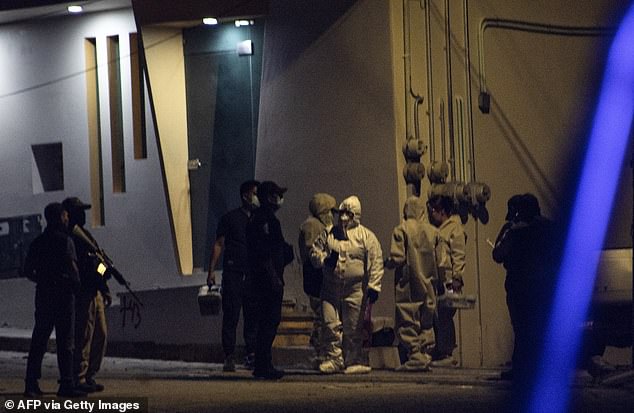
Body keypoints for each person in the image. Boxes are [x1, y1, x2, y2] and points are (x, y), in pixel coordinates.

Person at [311, 195, 384, 374]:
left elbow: (376, 261)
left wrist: (374, 286)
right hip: (330, 288)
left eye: (348, 214)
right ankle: (334, 358)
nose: (343, 217)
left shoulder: (366, 237)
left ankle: (352, 359)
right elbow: (314, 252)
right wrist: (323, 260)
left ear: (355, 215)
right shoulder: (329, 233)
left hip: (355, 290)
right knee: (330, 324)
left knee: (353, 328)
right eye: (341, 213)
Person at [492, 193, 557, 383]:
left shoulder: (514, 230)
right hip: (543, 286)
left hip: (519, 286)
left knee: (521, 329)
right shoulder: (549, 228)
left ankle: (522, 367)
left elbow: (498, 253)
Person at [23, 203, 84, 398]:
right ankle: (66, 384)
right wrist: (76, 287)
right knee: (66, 342)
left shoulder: (38, 242)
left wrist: (44, 280)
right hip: (64, 298)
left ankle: (31, 383)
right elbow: (73, 270)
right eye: (65, 216)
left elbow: (27, 271)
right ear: (60, 217)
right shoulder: (66, 241)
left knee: (39, 340)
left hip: (43, 296)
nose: (67, 219)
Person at [386, 196, 449, 371]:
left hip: (409, 282)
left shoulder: (402, 230)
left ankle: (415, 355)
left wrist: (387, 263)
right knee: (426, 317)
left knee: (408, 316)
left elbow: (397, 257)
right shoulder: (433, 232)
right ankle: (426, 352)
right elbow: (442, 260)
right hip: (430, 281)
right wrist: (444, 280)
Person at [207, 180, 260, 372]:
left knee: (252, 316)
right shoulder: (230, 219)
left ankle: (251, 354)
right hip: (233, 273)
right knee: (231, 315)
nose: (257, 197)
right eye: (255, 193)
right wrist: (211, 270)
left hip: (253, 274)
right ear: (245, 195)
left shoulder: (259, 218)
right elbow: (219, 243)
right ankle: (229, 355)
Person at [245, 181, 293, 380]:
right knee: (268, 322)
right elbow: (264, 253)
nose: (280, 199)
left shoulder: (263, 219)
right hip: (266, 281)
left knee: (267, 323)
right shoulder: (265, 220)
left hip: (265, 279)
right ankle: (263, 365)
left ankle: (262, 364)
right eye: (277, 195)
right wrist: (274, 278)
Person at [63, 197, 111, 393]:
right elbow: (86, 265)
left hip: (94, 290)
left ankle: (89, 375)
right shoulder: (71, 237)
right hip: (84, 292)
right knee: (84, 335)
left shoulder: (84, 235)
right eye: (79, 211)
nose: (83, 215)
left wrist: (104, 281)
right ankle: (79, 377)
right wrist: (101, 272)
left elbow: (96, 262)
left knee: (100, 334)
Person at [298, 193, 337, 367]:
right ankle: (320, 352)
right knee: (321, 317)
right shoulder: (312, 226)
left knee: (323, 316)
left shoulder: (318, 225)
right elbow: (314, 252)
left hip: (318, 278)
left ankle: (321, 351)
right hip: (316, 279)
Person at [427, 195, 467, 367]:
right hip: (437, 279)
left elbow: (458, 255)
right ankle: (440, 348)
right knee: (437, 314)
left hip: (449, 279)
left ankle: (447, 352)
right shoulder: (438, 229)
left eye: (433, 211)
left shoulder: (454, 229)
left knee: (445, 315)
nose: (430, 215)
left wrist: (457, 277)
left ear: (441, 212)